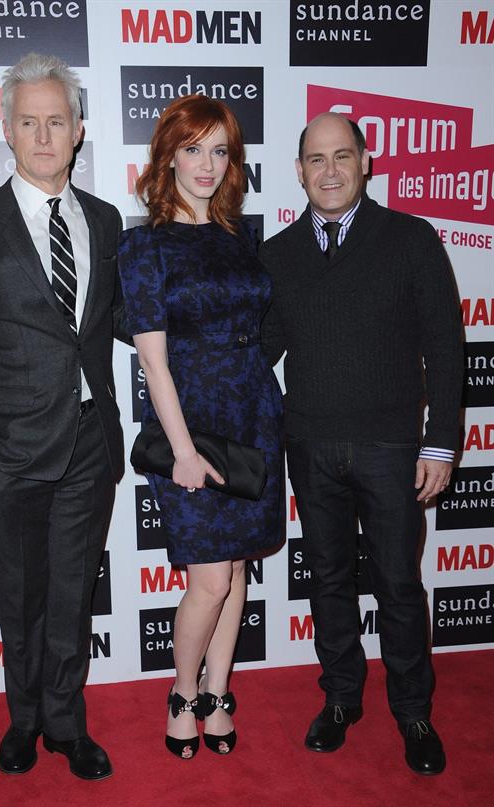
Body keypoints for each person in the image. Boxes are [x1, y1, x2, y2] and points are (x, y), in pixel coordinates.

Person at [0, 53, 125, 781]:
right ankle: (24, 718)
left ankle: (68, 725)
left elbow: (126, 321)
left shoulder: (105, 222)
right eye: (29, 121)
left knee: (73, 595)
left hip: (87, 445)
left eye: (57, 120)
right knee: (20, 595)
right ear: (6, 130)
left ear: (78, 130)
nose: (45, 134)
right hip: (6, 451)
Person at [261, 112, 464, 775]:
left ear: (366, 161)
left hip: (391, 448)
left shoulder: (410, 238)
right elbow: (262, 350)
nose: (329, 170)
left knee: (400, 584)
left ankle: (413, 709)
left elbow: (445, 347)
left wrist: (439, 444)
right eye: (315, 159)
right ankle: (342, 698)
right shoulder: (279, 253)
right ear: (298, 171)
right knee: (328, 583)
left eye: (341, 156)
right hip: (310, 444)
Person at [119, 95, 284, 759]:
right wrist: (182, 452)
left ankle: (219, 693)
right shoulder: (144, 247)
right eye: (194, 149)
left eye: (220, 150)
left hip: (253, 413)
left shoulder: (242, 237)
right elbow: (154, 365)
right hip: (190, 423)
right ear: (168, 157)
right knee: (208, 580)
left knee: (237, 569)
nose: (208, 164)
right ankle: (183, 692)